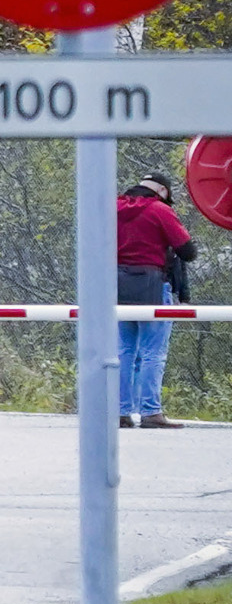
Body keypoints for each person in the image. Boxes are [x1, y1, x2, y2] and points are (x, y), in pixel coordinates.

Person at [116, 172, 198, 428]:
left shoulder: (112, 207)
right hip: (153, 285)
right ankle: (151, 412)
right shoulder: (160, 210)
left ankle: (119, 411)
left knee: (123, 351)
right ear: (163, 191)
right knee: (153, 353)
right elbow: (188, 251)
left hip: (115, 286)